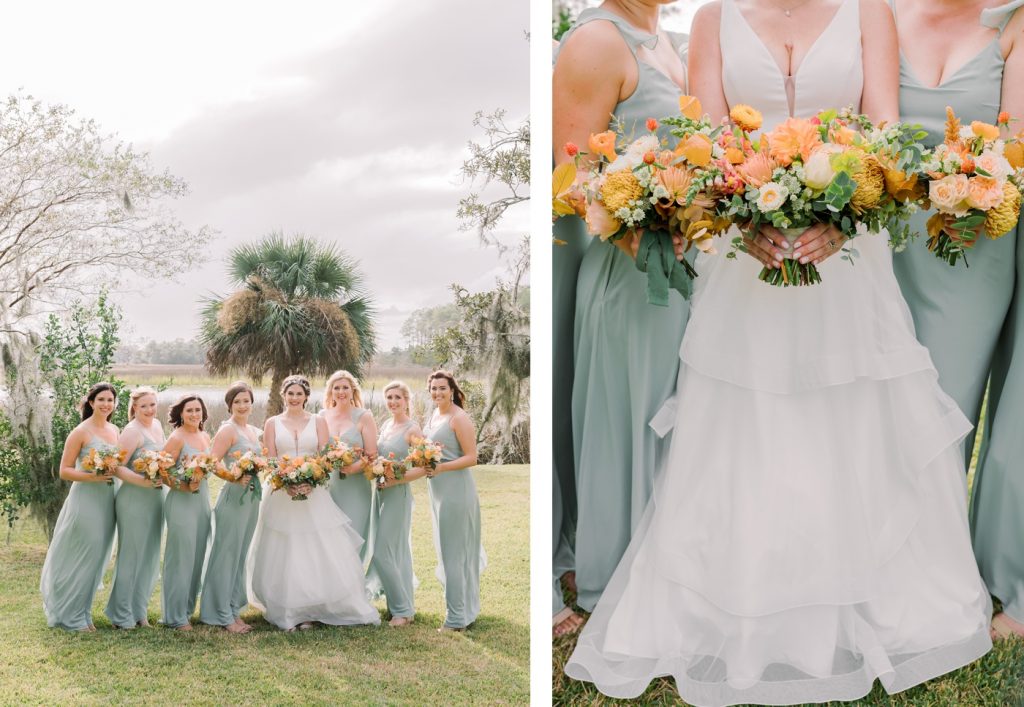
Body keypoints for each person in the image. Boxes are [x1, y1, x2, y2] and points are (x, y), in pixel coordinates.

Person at [565, 0, 993, 702]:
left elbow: (882, 132)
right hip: (743, 259)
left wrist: (841, 218)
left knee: (848, 413)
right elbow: (702, 146)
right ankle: (748, 599)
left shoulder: (868, 14)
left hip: (851, 257)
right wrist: (745, 218)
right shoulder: (712, 20)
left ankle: (863, 597)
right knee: (751, 419)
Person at [888, 0, 1024, 641]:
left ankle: (934, 580)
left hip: (972, 244)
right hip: (883, 245)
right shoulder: (879, 12)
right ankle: (869, 567)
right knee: (876, 410)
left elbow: (1015, 142)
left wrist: (969, 189)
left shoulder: (1013, 23)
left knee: (944, 410)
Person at [553, 0, 692, 617]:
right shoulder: (595, 42)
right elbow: (573, 172)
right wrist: (637, 233)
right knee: (630, 416)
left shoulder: (664, 39)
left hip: (682, 261)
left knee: (673, 413)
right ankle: (621, 571)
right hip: (630, 268)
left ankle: (676, 563)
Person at [248, 375, 379, 631]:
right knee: (285, 550)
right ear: (283, 395)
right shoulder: (272, 423)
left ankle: (314, 608)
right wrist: (286, 481)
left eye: (299, 394)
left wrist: (311, 480)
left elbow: (324, 457)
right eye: (290, 393)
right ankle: (288, 609)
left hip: (314, 491)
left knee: (314, 549)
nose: (294, 398)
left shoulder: (318, 421)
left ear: (306, 396)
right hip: (281, 492)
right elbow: (271, 460)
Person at [40, 382, 119, 631]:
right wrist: (93, 476)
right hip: (86, 499)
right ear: (91, 402)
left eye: (110, 400)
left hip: (108, 500)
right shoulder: (81, 432)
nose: (106, 404)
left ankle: (84, 614)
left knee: (97, 557)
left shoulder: (115, 429)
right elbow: (64, 471)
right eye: (102, 399)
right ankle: (70, 615)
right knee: (84, 553)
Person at [421, 370, 483, 631]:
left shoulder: (459, 418)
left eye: (442, 388)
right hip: (437, 492)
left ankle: (456, 618)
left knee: (454, 554)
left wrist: (442, 468)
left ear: (452, 389)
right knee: (446, 551)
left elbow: (472, 457)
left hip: (456, 491)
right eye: (433, 389)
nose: (437, 393)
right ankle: (465, 609)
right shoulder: (435, 414)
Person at [200, 381, 262, 633]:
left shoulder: (251, 430)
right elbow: (212, 462)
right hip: (233, 499)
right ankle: (220, 614)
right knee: (226, 555)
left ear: (251, 403)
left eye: (246, 400)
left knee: (239, 556)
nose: (242, 405)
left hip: (251, 499)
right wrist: (232, 476)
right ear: (229, 405)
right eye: (237, 401)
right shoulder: (228, 430)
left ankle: (233, 609)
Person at [105, 387, 165, 629]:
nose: (149, 410)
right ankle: (120, 614)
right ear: (135, 408)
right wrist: (142, 480)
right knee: (131, 555)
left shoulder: (158, 425)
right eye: (144, 406)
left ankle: (139, 612)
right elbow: (115, 466)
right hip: (133, 499)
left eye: (152, 404)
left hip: (155, 498)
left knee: (148, 556)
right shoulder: (131, 432)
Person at [370, 380, 428, 626]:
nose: (393, 402)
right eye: (389, 398)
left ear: (407, 401)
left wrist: (395, 480)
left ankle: (402, 611)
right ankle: (404, 607)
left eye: (397, 398)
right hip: (381, 494)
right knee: (399, 553)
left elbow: (426, 467)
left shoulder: (412, 429)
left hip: (398, 495)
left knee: (382, 551)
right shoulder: (386, 425)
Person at [160, 394, 212, 630]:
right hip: (181, 500)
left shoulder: (205, 435)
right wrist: (182, 484)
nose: (194, 414)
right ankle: (174, 616)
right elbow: (162, 472)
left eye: (197, 410)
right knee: (181, 557)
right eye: (189, 410)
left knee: (196, 556)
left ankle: (187, 609)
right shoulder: (177, 437)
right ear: (180, 413)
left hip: (201, 501)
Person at [321, 369, 378, 566]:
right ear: (331, 392)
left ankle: (353, 589)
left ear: (353, 390)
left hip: (355, 487)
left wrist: (354, 467)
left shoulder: (364, 416)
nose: (341, 391)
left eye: (345, 387)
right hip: (328, 487)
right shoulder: (321, 416)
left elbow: (372, 455)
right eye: (336, 388)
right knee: (329, 541)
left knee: (352, 537)